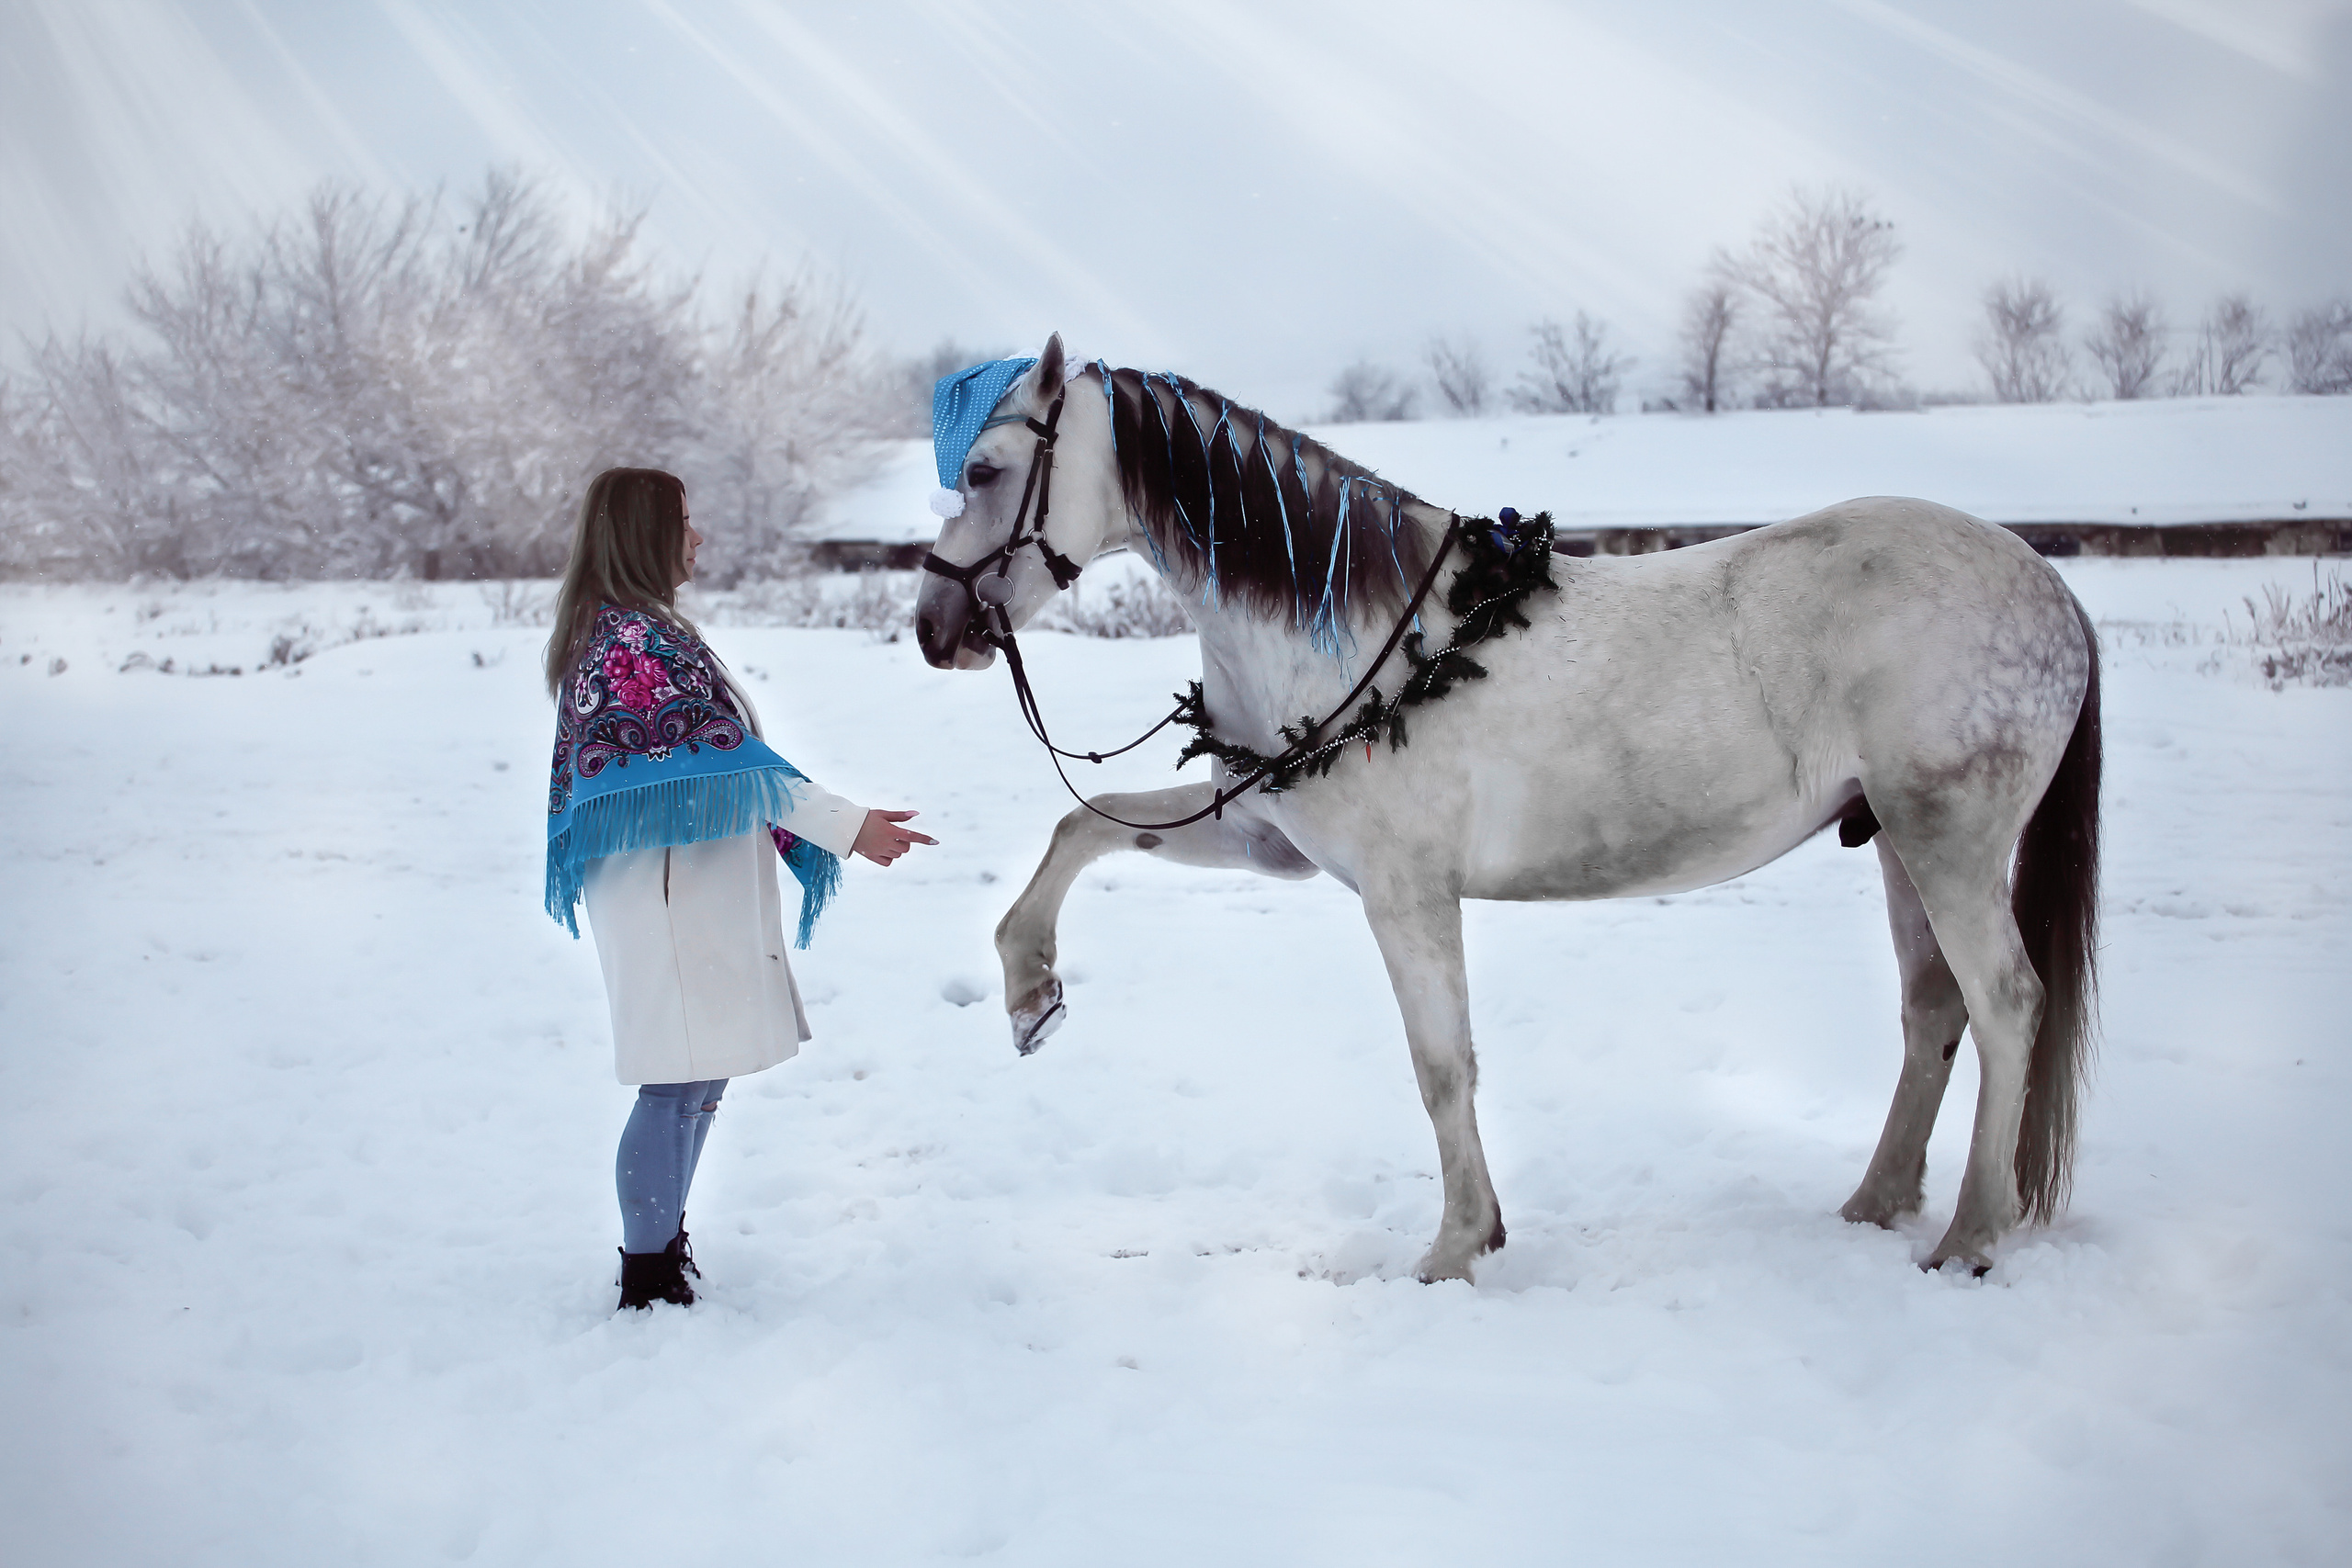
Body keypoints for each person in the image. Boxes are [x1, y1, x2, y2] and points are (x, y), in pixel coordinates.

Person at [541, 468, 934, 1311]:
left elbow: (727, 764)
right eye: (684, 521)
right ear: (643, 533)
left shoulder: (643, 632)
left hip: (685, 882)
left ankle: (663, 1245)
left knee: (698, 1074)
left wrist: (841, 821)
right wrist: (846, 824)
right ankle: (648, 1274)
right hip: (668, 893)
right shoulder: (630, 648)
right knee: (673, 1078)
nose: (699, 535)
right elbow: (730, 765)